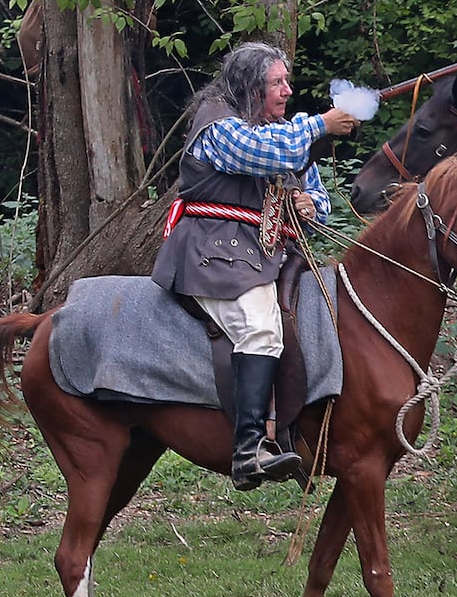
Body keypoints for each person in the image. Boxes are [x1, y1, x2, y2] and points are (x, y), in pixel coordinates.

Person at [152, 41, 361, 490]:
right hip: (213, 253)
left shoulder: (283, 132)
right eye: (277, 82)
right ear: (250, 85)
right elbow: (261, 152)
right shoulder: (218, 123)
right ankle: (249, 451)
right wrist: (321, 124)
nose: (287, 90)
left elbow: (317, 195)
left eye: (287, 80)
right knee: (261, 328)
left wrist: (309, 204)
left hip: (268, 255)